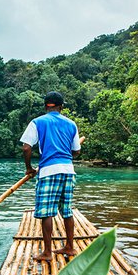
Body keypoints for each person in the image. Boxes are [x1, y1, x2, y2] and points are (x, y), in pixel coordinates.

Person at [20, 91, 81, 262]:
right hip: (68, 171)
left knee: (47, 212)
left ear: (46, 106)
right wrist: (65, 153)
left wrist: (29, 168)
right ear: (61, 106)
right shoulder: (71, 124)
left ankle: (47, 252)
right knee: (67, 211)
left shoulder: (37, 122)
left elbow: (26, 148)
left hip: (48, 171)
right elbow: (76, 151)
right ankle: (69, 247)